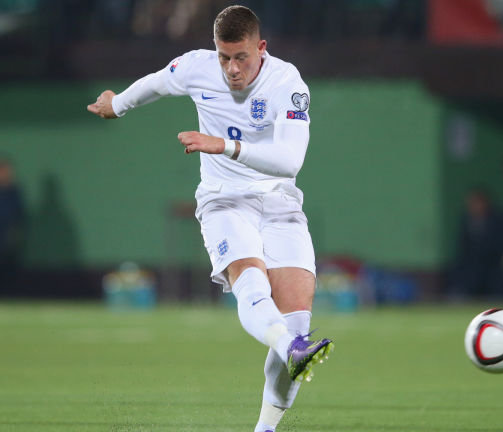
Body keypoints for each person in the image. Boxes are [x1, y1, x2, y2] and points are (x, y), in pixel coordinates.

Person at [87, 6, 333, 432]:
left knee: (298, 319)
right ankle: (293, 348)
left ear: (261, 48)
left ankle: (266, 425)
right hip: (224, 201)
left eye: (241, 57)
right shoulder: (197, 67)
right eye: (224, 57)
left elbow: (291, 161)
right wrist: (119, 104)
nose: (232, 68)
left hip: (279, 202)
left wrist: (225, 146)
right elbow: (159, 82)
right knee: (252, 285)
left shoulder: (287, 83)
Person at [0, 157, 24, 293]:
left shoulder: (14, 192)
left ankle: (9, 295)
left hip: (8, 239)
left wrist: (15, 233)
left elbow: (19, 215)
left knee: (8, 271)